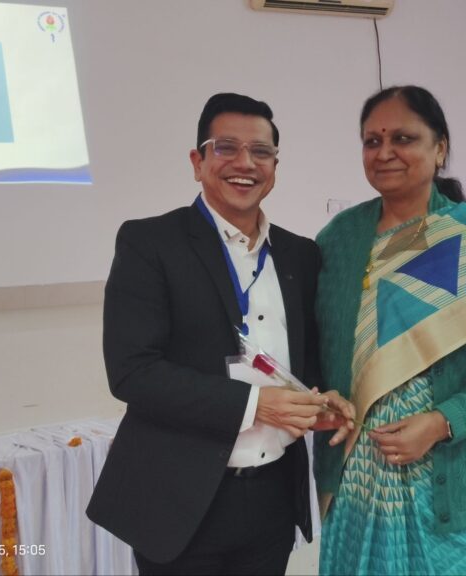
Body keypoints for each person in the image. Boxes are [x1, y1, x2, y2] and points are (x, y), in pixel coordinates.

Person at [87, 92, 353, 575]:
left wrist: (319, 400)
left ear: (275, 166)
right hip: (181, 497)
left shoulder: (299, 254)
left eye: (261, 151)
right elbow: (132, 372)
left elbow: (304, 361)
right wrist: (255, 405)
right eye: (226, 148)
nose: (245, 163)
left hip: (274, 496)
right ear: (198, 162)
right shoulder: (150, 243)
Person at [313, 85, 466, 575]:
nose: (385, 152)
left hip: (449, 476)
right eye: (372, 141)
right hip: (357, 478)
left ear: (440, 148)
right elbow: (322, 345)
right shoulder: (338, 241)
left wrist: (441, 423)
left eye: (403, 138)